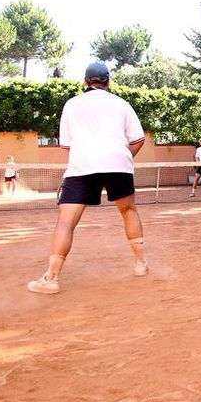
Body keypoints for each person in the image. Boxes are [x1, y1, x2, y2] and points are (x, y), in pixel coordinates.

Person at [27, 62, 149, 294]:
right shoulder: (122, 104)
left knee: (66, 221)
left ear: (85, 82)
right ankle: (140, 264)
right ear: (108, 82)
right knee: (129, 210)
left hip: (83, 165)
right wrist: (123, 158)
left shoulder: (72, 104)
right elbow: (137, 139)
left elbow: (67, 145)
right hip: (119, 164)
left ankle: (51, 279)